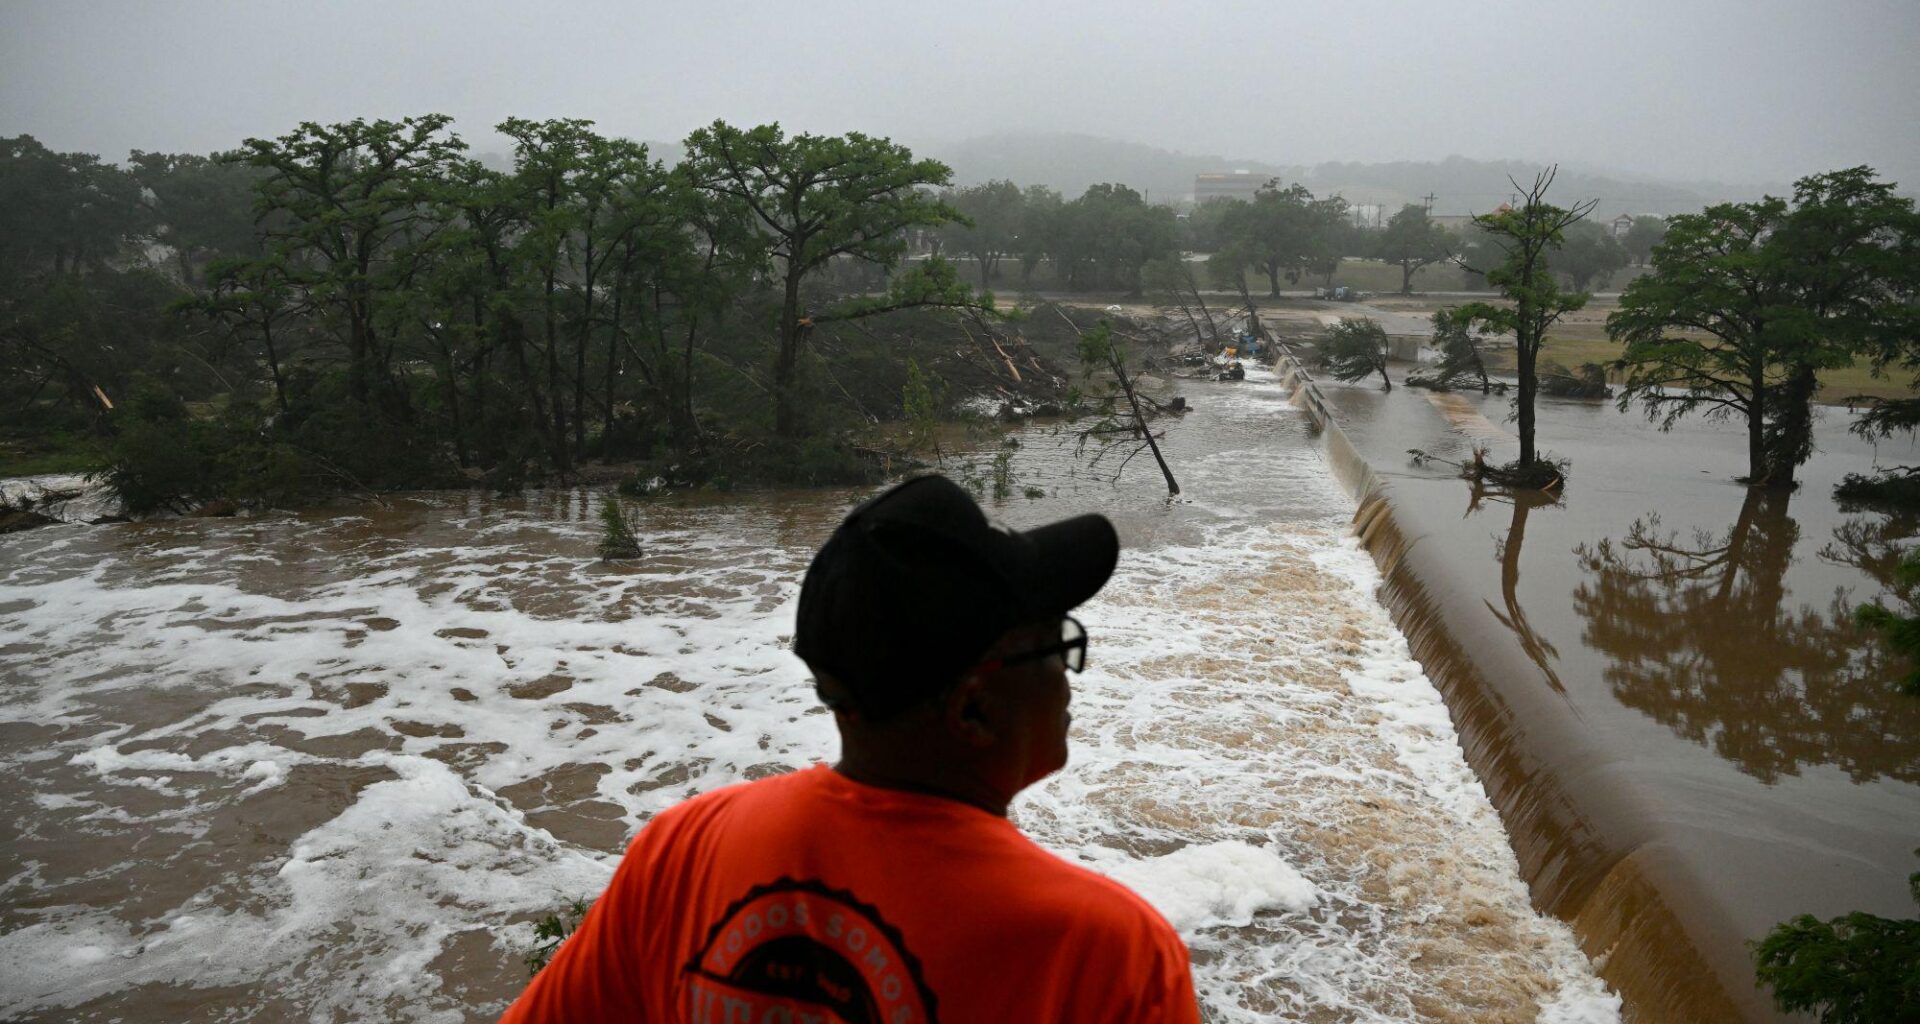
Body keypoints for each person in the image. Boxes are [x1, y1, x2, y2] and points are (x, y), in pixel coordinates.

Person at [500, 474, 1199, 1024]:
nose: (1068, 680)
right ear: (974, 707)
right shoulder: (1106, 954)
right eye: (1057, 644)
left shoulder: (683, 851)